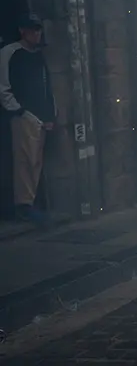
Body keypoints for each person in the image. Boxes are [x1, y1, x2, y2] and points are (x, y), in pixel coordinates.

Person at [0, 14, 56, 222]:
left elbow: (45, 85)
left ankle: (29, 202)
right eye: (33, 30)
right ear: (23, 31)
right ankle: (24, 204)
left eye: (39, 30)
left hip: (39, 115)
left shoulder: (37, 55)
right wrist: (18, 110)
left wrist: (50, 114)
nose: (37, 34)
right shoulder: (10, 52)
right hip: (23, 113)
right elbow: (3, 85)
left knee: (35, 160)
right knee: (25, 159)